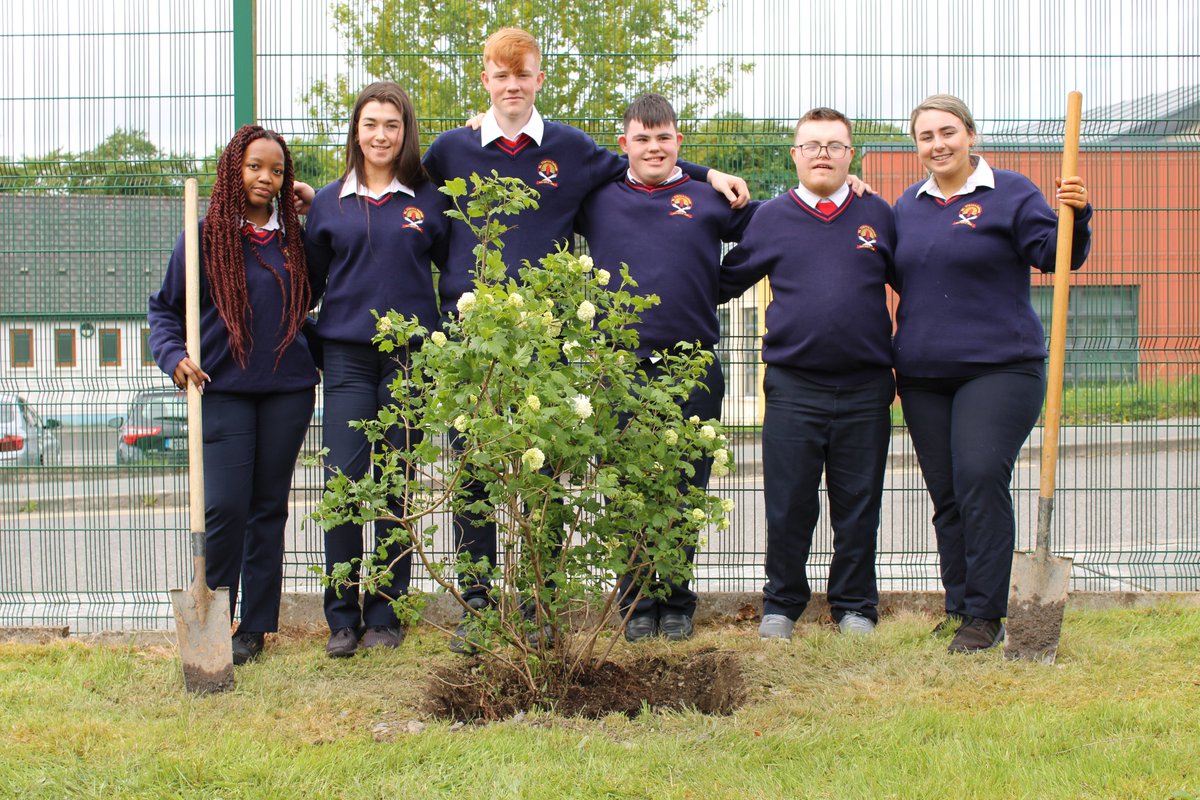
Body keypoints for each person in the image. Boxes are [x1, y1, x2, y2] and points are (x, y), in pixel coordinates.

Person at [419, 27, 751, 652]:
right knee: (473, 477)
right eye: (500, 74)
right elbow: (407, 203)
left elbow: (650, 164)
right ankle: (479, 606)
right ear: (484, 79)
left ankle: (543, 604)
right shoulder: (449, 149)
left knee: (546, 480)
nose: (512, 85)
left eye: (523, 75)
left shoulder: (572, 151)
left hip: (546, 344)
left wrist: (709, 172)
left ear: (540, 79)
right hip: (474, 342)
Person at [892, 94, 1092, 653]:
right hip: (925, 376)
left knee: (979, 475)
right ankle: (959, 608)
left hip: (1001, 368)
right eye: (926, 136)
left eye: (948, 132)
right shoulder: (908, 205)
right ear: (917, 146)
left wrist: (1077, 214)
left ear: (971, 135)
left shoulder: (1011, 192)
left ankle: (987, 614)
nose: (938, 144)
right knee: (949, 493)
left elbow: (1058, 254)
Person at [575, 93, 760, 642]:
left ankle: (677, 600)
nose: (653, 147)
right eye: (642, 138)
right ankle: (634, 601)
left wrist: (717, 285)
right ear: (624, 144)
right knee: (627, 489)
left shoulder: (711, 198)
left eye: (663, 137)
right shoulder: (597, 198)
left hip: (693, 367)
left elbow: (775, 232)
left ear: (679, 140)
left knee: (685, 488)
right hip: (619, 368)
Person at [720, 108, 898, 641]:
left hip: (867, 386)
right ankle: (782, 604)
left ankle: (855, 606)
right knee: (790, 501)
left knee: (858, 502)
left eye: (835, 145)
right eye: (812, 145)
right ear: (794, 155)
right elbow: (723, 281)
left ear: (851, 155)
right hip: (794, 385)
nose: (823, 153)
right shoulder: (770, 217)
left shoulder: (880, 215)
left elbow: (920, 276)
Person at [148, 125, 319, 666]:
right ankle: (212, 616)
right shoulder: (202, 238)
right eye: (254, 167)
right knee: (225, 506)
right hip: (221, 390)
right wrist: (173, 356)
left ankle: (255, 628)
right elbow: (164, 310)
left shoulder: (299, 242)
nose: (265, 178)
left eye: (276, 170)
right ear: (233, 170)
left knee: (268, 509)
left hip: (288, 391)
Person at [304, 81, 451, 658]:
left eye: (392, 124)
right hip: (346, 363)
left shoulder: (428, 199)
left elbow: (454, 269)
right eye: (371, 124)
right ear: (356, 131)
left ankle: (386, 614)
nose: (381, 135)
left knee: (397, 488)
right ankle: (342, 617)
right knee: (343, 488)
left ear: (405, 131)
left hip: (408, 362)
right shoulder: (326, 202)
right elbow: (310, 284)